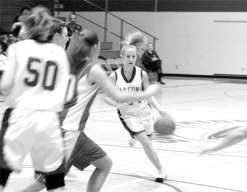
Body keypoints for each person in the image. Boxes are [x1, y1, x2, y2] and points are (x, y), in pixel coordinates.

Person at [19, 29, 161, 192]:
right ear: (95, 48)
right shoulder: (93, 69)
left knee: (105, 164)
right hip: (66, 132)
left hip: (73, 133)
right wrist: (147, 92)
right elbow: (118, 96)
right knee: (45, 183)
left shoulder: (70, 65)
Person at [0, 6, 75, 192]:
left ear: (27, 28)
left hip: (21, 115)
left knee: (2, 172)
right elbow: (66, 94)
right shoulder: (60, 54)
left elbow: (4, 87)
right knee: (55, 181)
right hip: (49, 120)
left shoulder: (16, 48)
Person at [104, 32, 167, 183]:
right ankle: (161, 170)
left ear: (136, 57)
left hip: (144, 111)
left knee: (149, 141)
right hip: (128, 114)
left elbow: (148, 94)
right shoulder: (114, 76)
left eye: (133, 56)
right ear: (123, 57)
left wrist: (159, 109)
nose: (131, 59)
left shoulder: (142, 74)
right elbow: (105, 97)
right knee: (146, 143)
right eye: (128, 56)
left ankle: (133, 136)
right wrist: (117, 104)